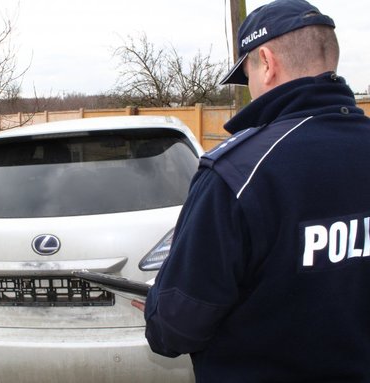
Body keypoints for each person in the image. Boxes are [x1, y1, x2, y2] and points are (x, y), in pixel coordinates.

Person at [132, 0, 370, 381]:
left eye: (248, 75)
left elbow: (176, 328)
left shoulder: (238, 172)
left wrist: (156, 306)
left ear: (267, 61)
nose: (253, 90)